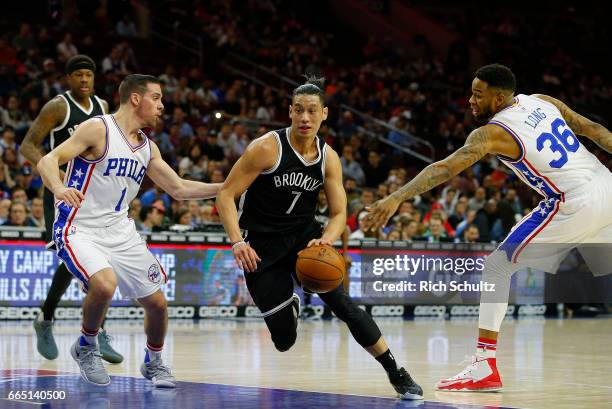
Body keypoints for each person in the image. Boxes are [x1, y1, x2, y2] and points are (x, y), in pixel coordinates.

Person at [364, 63, 612, 392]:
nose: (470, 100)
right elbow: (593, 130)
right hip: (606, 184)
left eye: (477, 95)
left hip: (574, 201)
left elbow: (446, 167)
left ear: (497, 100)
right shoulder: (542, 101)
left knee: (496, 267)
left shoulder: (492, 132)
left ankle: (484, 367)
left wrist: (396, 197)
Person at [216, 76, 423, 400]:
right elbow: (225, 195)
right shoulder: (266, 148)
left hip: (305, 238)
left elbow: (340, 214)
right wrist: (237, 242)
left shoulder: (329, 158)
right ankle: (292, 304)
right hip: (261, 244)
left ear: (324, 114)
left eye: (312, 111)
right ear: (289, 112)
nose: (305, 118)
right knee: (284, 341)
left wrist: (325, 239)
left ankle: (396, 371)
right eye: (298, 110)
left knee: (345, 305)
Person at [37, 74, 221, 387]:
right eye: (157, 98)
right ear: (136, 99)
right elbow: (48, 160)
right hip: (78, 227)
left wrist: (227, 187)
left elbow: (179, 188)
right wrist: (58, 187)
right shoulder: (98, 128)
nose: (162, 106)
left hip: (120, 231)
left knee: (158, 305)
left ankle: (154, 361)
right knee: (105, 285)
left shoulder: (148, 148)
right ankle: (86, 346)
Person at [19, 54, 123, 363]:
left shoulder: (103, 108)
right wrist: (54, 175)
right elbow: (28, 145)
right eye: (78, 75)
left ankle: (51, 319)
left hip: (93, 194)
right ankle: (87, 329)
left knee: (93, 259)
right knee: (74, 258)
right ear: (69, 79)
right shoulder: (58, 107)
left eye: (88, 75)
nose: (84, 80)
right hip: (61, 193)